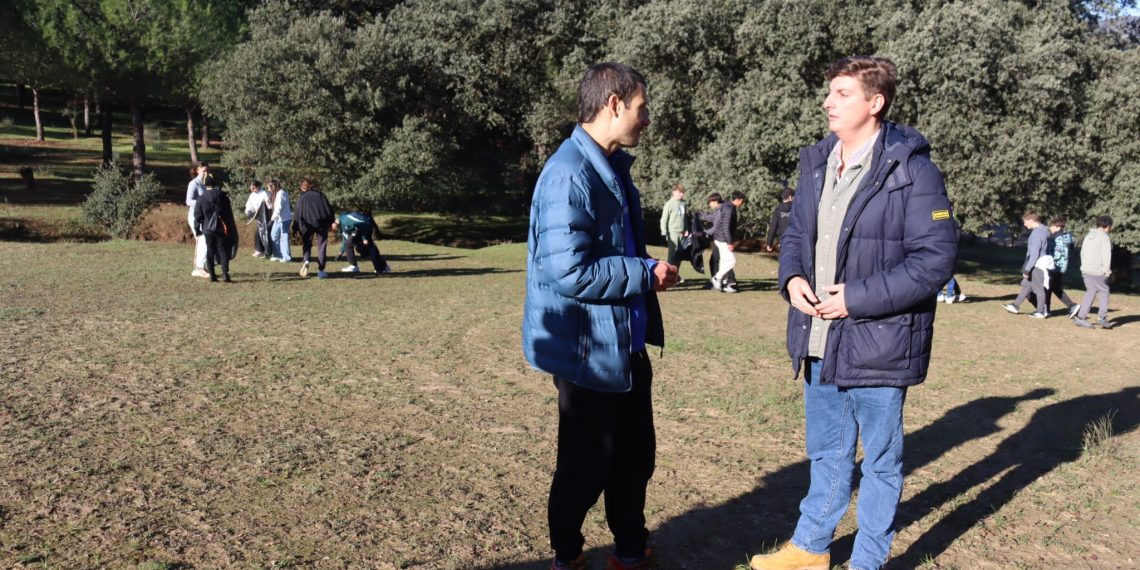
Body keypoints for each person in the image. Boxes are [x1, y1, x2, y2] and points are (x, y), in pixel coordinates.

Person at [756, 56, 957, 570]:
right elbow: (797, 234)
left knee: (881, 463)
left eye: (842, 93)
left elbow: (934, 260)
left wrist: (856, 298)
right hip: (817, 337)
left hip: (880, 343)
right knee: (827, 452)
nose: (828, 102)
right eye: (830, 92)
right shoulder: (817, 161)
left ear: (875, 102)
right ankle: (810, 548)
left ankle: (868, 561)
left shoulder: (913, 169)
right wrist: (791, 278)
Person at [521, 62, 678, 570]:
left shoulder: (611, 167)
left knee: (635, 459)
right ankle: (567, 555)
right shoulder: (569, 173)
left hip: (625, 345)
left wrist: (644, 270)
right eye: (641, 108)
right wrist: (644, 272)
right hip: (587, 352)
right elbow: (569, 270)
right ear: (614, 104)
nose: (646, 119)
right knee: (585, 469)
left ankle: (630, 550)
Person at [1001, 211, 1050, 319]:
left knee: (1039, 289)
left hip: (1037, 265)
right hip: (1036, 264)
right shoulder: (1043, 230)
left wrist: (1027, 270)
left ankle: (1041, 311)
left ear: (1031, 220)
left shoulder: (1037, 233)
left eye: (1025, 221)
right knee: (1027, 285)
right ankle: (1015, 305)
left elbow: (1034, 254)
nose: (1024, 224)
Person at [192, 177, 238, 283]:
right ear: (214, 184)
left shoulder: (201, 198)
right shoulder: (222, 196)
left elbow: (197, 215)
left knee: (210, 250)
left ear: (205, 185)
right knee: (222, 249)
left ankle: (212, 276)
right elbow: (228, 211)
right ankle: (225, 274)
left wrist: (197, 229)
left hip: (207, 228)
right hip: (221, 227)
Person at [1073, 215, 1114, 329]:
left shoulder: (1088, 236)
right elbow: (1106, 256)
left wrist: (1084, 265)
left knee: (1090, 291)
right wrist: (1107, 271)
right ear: (1108, 226)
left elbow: (1082, 252)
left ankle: (1081, 318)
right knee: (1104, 291)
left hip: (1086, 269)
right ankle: (1102, 317)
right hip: (1097, 270)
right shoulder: (1104, 237)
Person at [291, 179, 334, 279]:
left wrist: (295, 228)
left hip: (307, 225)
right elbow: (328, 209)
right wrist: (331, 221)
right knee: (322, 246)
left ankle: (306, 260)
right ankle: (321, 270)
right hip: (321, 223)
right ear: (311, 186)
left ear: (302, 188)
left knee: (307, 244)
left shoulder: (301, 198)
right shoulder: (320, 195)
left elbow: (297, 214)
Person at [708, 191, 746, 293]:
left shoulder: (727, 206)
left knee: (724, 261)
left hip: (720, 238)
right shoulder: (729, 209)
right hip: (723, 239)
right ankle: (717, 278)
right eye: (742, 201)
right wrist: (729, 242)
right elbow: (726, 227)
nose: (742, 204)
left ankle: (725, 282)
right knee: (731, 261)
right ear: (738, 200)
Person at [332, 210, 392, 275]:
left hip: (366, 227)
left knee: (365, 248)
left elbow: (362, 225)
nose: (332, 228)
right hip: (362, 229)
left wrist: (364, 238)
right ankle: (383, 267)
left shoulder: (346, 220)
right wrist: (341, 252)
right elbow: (345, 238)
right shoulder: (343, 224)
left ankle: (355, 266)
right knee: (362, 249)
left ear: (334, 221)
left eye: (330, 226)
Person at [1045, 217, 1079, 318]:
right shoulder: (1068, 237)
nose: (1050, 228)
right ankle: (1071, 306)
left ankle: (1046, 309)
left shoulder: (1054, 238)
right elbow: (1071, 247)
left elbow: (1051, 252)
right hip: (1063, 266)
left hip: (1053, 266)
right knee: (1054, 287)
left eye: (1052, 226)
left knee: (1048, 287)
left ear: (1058, 227)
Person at [185, 162, 210, 278]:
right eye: (204, 171)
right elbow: (188, 201)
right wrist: (202, 202)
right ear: (198, 170)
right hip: (195, 217)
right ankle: (199, 268)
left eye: (207, 170)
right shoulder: (193, 184)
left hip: (205, 217)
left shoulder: (207, 183)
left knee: (204, 240)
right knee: (202, 239)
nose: (206, 173)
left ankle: (200, 267)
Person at [659, 183, 689, 269]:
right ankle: (669, 274)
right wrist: (664, 232)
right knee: (673, 254)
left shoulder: (683, 203)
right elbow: (664, 219)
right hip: (673, 233)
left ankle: (676, 273)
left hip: (682, 233)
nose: (682, 194)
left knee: (680, 254)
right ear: (674, 192)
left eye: (683, 192)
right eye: (680, 192)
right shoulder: (669, 204)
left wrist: (686, 229)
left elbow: (684, 218)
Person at [244, 180, 272, 258]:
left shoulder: (264, 194)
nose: (252, 189)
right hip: (258, 217)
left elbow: (269, 205)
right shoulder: (252, 195)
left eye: (254, 188)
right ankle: (259, 250)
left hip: (266, 216)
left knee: (264, 233)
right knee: (258, 233)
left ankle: (265, 251)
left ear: (258, 187)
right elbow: (249, 205)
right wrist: (249, 211)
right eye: (251, 188)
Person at [267, 179, 292, 263]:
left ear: (274, 186)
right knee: (273, 235)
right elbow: (273, 207)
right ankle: (278, 255)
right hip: (278, 219)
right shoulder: (275, 194)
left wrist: (271, 220)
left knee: (284, 237)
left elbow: (278, 208)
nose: (268, 190)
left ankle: (286, 257)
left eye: (269, 187)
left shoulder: (281, 194)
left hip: (284, 219)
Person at [765, 186, 794, 252]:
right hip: (795, 241)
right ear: (790, 197)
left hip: (782, 241)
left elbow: (773, 227)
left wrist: (769, 243)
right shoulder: (796, 208)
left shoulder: (778, 209)